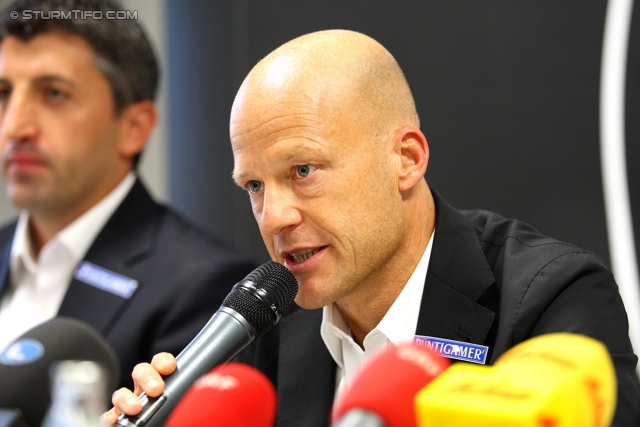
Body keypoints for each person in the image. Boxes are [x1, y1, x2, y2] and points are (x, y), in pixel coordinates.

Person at [106, 30, 640, 425]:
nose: (274, 218)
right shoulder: (269, 322)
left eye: (303, 171)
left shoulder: (551, 300)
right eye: (254, 186)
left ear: (405, 159)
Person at [0, 0, 256, 390]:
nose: (15, 125)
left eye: (53, 94)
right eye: (3, 93)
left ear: (134, 127)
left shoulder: (204, 286)